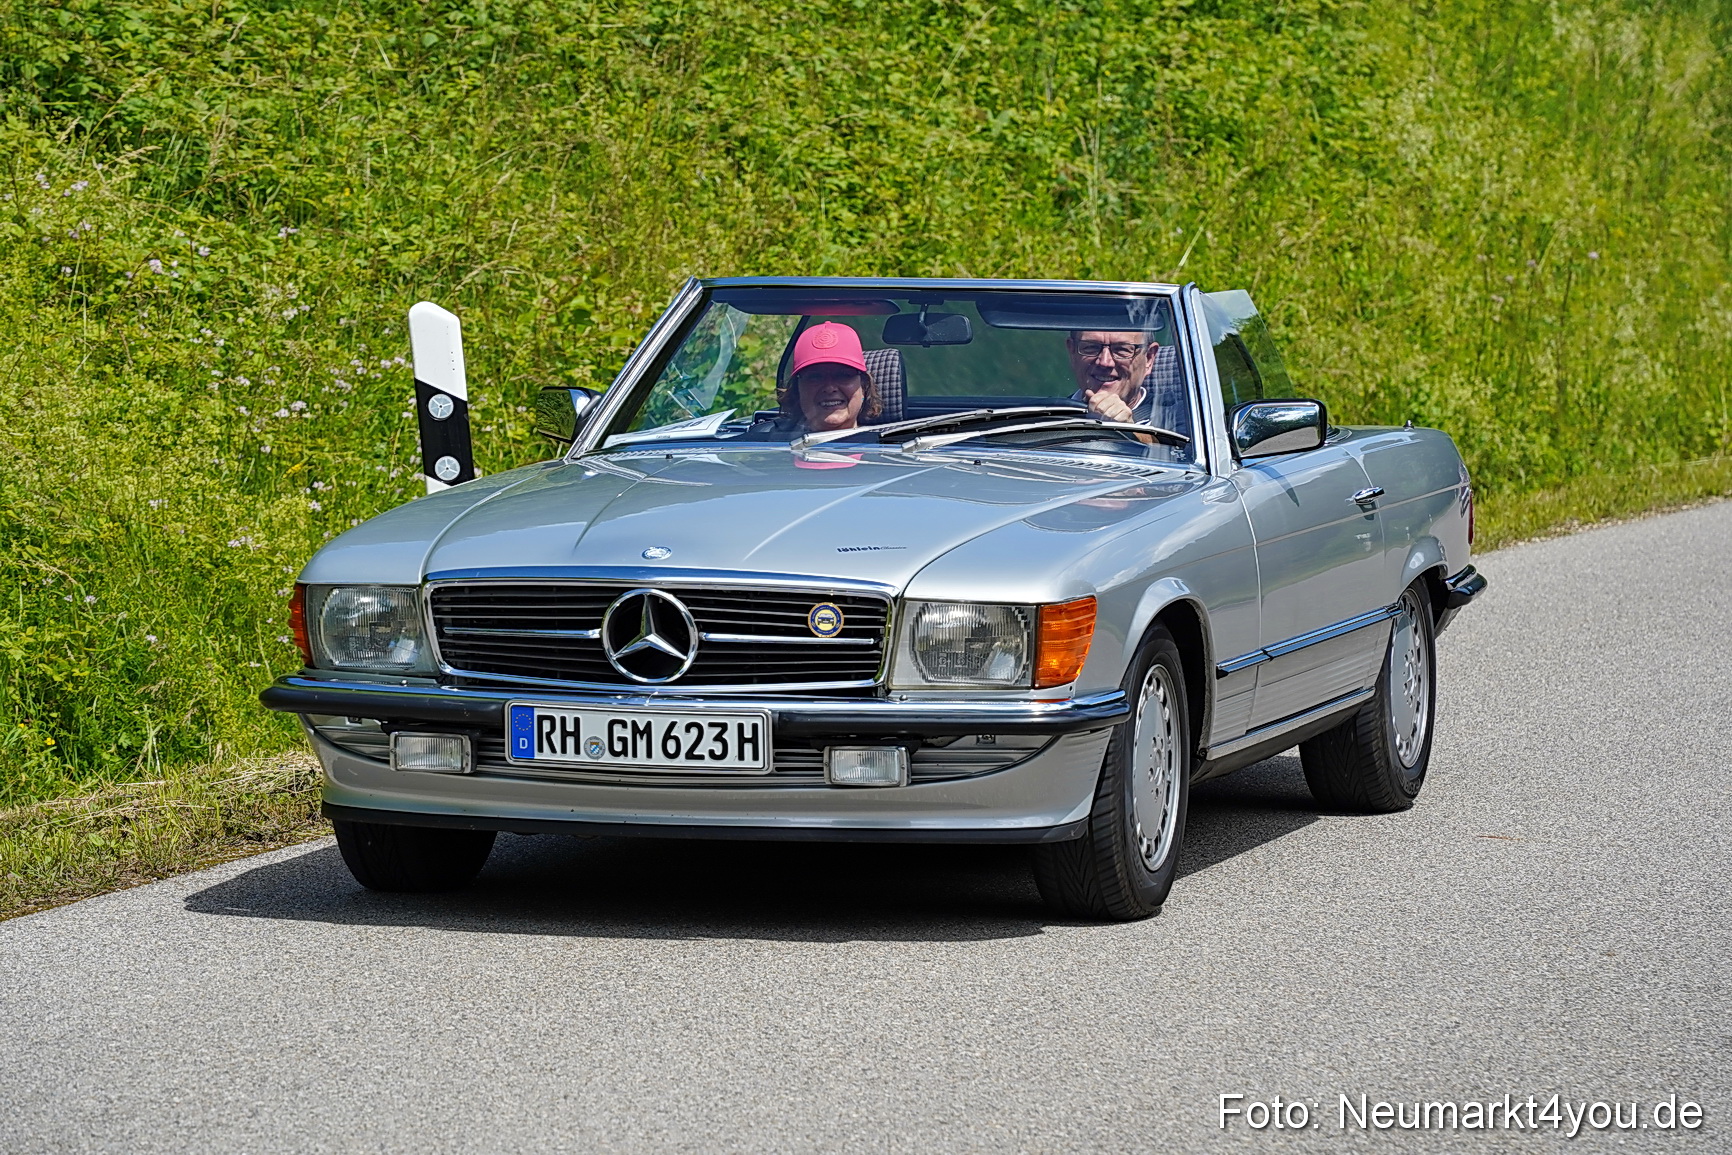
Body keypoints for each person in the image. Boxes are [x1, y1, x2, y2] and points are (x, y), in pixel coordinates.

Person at [1065, 329, 1190, 449]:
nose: (1105, 362)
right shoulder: (1050, 415)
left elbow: (1178, 456)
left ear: (1149, 358)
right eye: (1091, 347)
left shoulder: (1183, 419)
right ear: (1072, 352)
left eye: (1122, 350)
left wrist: (1129, 432)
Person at [780, 321, 882, 434]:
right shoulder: (768, 444)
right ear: (797, 390)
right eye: (815, 377)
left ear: (864, 386)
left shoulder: (889, 448)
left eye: (844, 375)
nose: (829, 388)